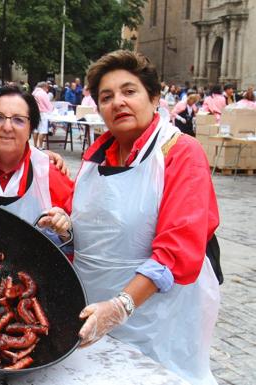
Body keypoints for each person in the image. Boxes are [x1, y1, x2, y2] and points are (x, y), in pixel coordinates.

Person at [72, 50, 220, 384]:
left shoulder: (180, 152)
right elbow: (87, 221)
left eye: (129, 91)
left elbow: (176, 250)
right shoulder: (95, 156)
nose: (118, 102)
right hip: (94, 313)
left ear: (154, 97)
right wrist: (64, 222)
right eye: (106, 97)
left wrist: (120, 306)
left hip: (158, 321)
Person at [0, 86, 73, 246]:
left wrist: (64, 228)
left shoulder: (49, 173)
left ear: (30, 129)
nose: (7, 127)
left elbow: (76, 240)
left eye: (18, 120)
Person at [31, 81, 53, 149]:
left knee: (36, 129)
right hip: (43, 113)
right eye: (47, 88)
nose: (47, 90)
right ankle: (40, 146)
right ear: (44, 87)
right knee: (42, 130)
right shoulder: (43, 93)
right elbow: (47, 103)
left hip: (36, 112)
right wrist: (52, 109)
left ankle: (34, 145)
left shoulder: (34, 93)